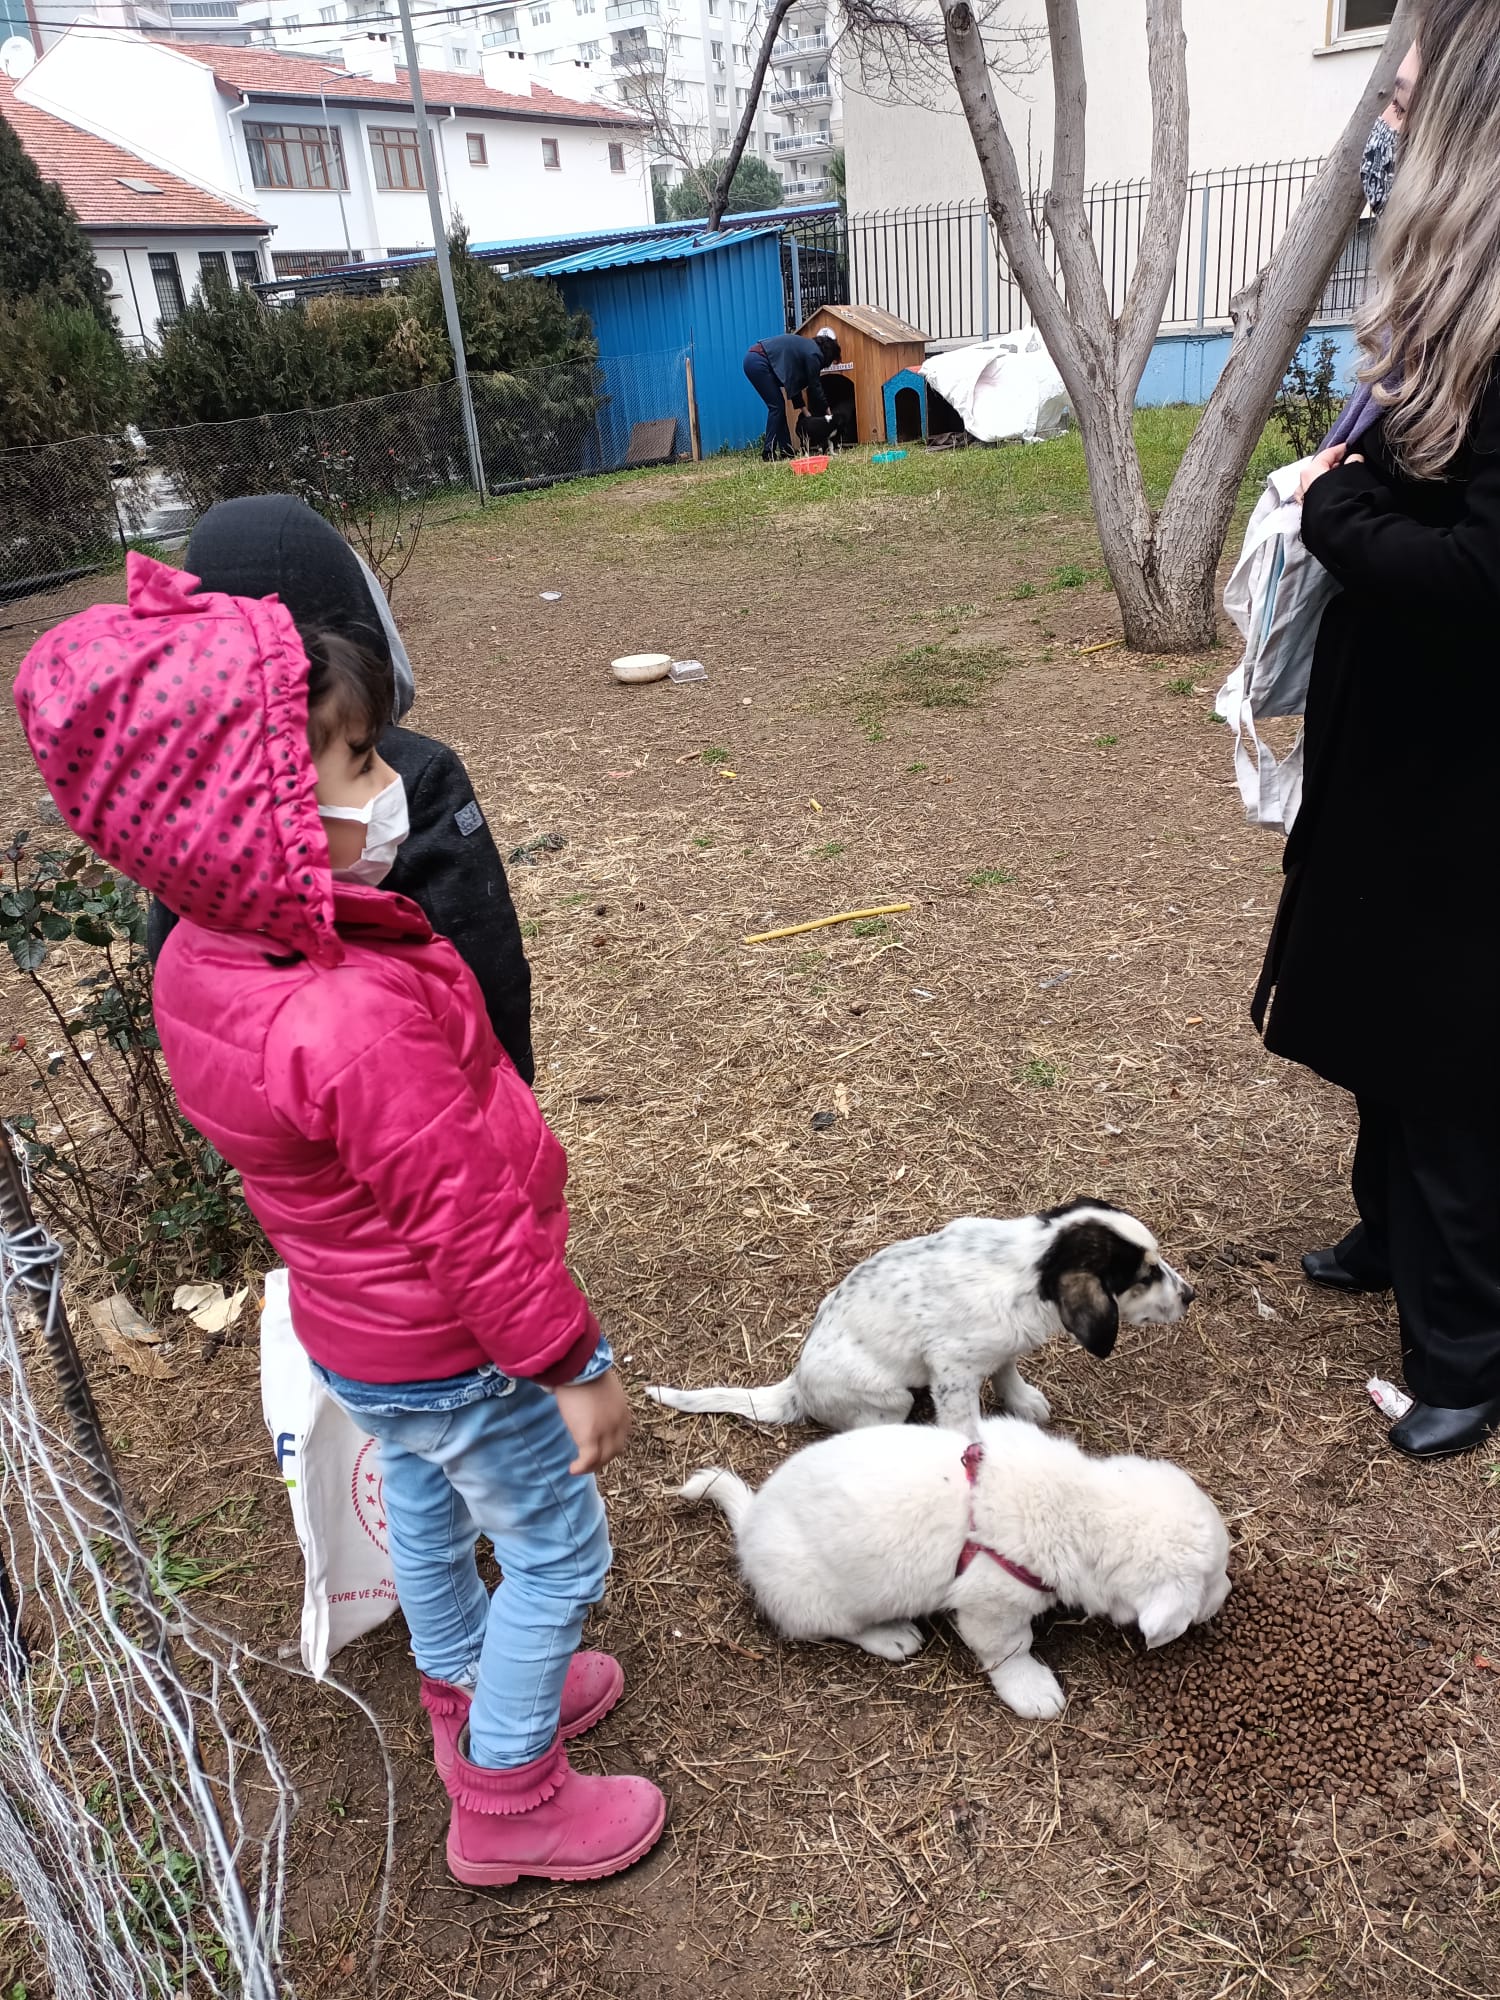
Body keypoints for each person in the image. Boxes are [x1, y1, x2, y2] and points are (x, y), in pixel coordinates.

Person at [14, 552, 667, 1886]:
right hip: (454, 1335)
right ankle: (511, 1802)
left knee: (425, 1499)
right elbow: (470, 1217)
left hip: (358, 1331)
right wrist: (573, 1364)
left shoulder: (200, 962)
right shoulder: (347, 1013)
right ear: (234, 823)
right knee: (555, 1547)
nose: (389, 791)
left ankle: (462, 1692)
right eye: (350, 767)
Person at [1255, 0, 1500, 1460]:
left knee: (1450, 1041)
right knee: (1373, 997)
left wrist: (1330, 509)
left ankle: (1465, 1355)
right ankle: (1388, 1236)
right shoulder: (1450, 286)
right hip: (1400, 738)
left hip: (1465, 766)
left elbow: (1483, 567)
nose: (1387, 109)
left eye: (1406, 90)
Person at [144, 496, 536, 1086]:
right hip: (432, 1105)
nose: (379, 773)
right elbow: (484, 959)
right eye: (361, 759)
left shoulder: (188, 810)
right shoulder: (418, 772)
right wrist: (512, 1086)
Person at [743, 326, 841, 459]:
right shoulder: (814, 354)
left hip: (755, 359)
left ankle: (787, 451)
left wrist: (805, 412)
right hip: (758, 360)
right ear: (829, 355)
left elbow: (793, 384)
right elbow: (815, 386)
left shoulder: (806, 349)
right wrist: (828, 412)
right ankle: (768, 451)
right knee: (776, 407)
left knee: (779, 407)